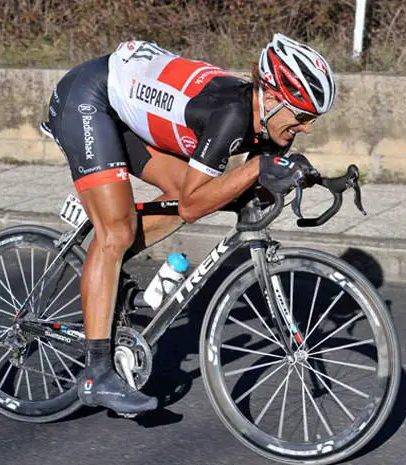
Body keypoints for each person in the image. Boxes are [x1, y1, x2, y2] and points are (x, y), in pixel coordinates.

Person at [45, 33, 336, 416]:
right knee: (118, 231)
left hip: (124, 108)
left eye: (312, 118)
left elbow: (248, 184)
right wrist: (257, 169)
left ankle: (110, 277)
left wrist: (302, 177)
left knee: (196, 190)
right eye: (301, 115)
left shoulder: (270, 122)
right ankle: (96, 374)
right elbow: (191, 208)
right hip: (88, 100)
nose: (307, 127)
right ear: (270, 98)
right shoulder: (231, 114)